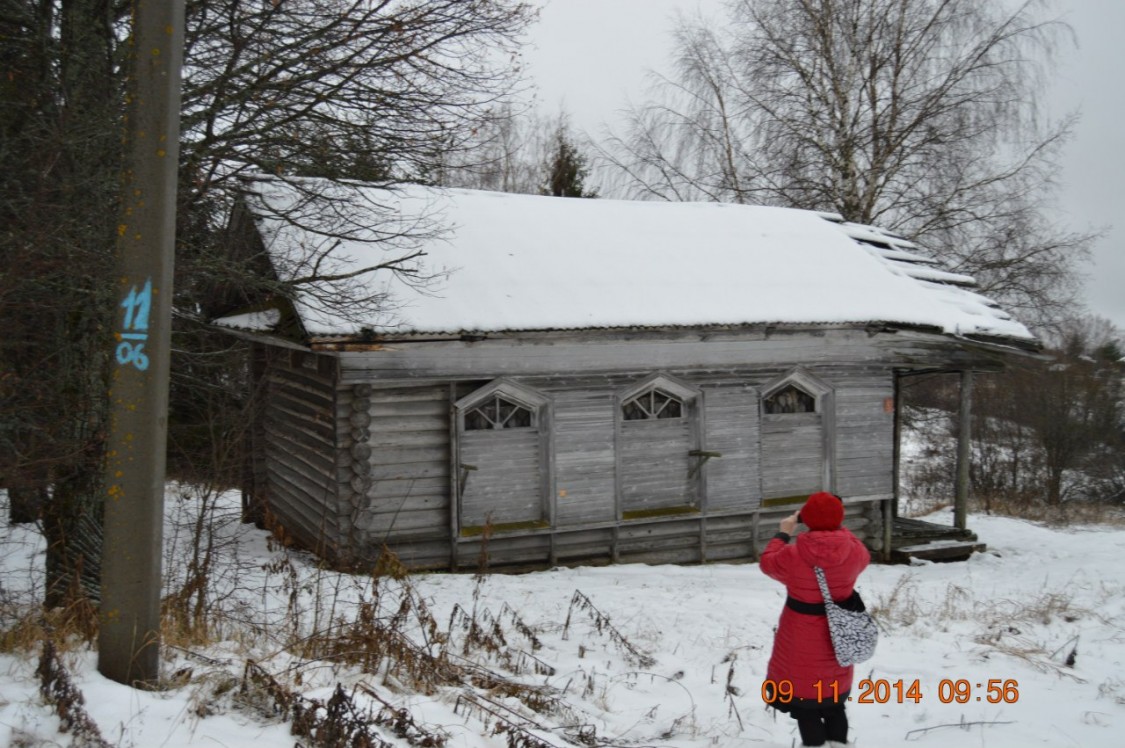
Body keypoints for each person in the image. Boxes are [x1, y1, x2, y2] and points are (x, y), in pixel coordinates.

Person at [760, 491, 871, 747]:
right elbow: (858, 550)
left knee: (806, 704)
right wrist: (834, 525)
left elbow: (767, 563)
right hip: (839, 633)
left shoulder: (792, 554)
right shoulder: (855, 552)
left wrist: (783, 533)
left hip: (799, 633)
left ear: (806, 519)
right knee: (834, 703)